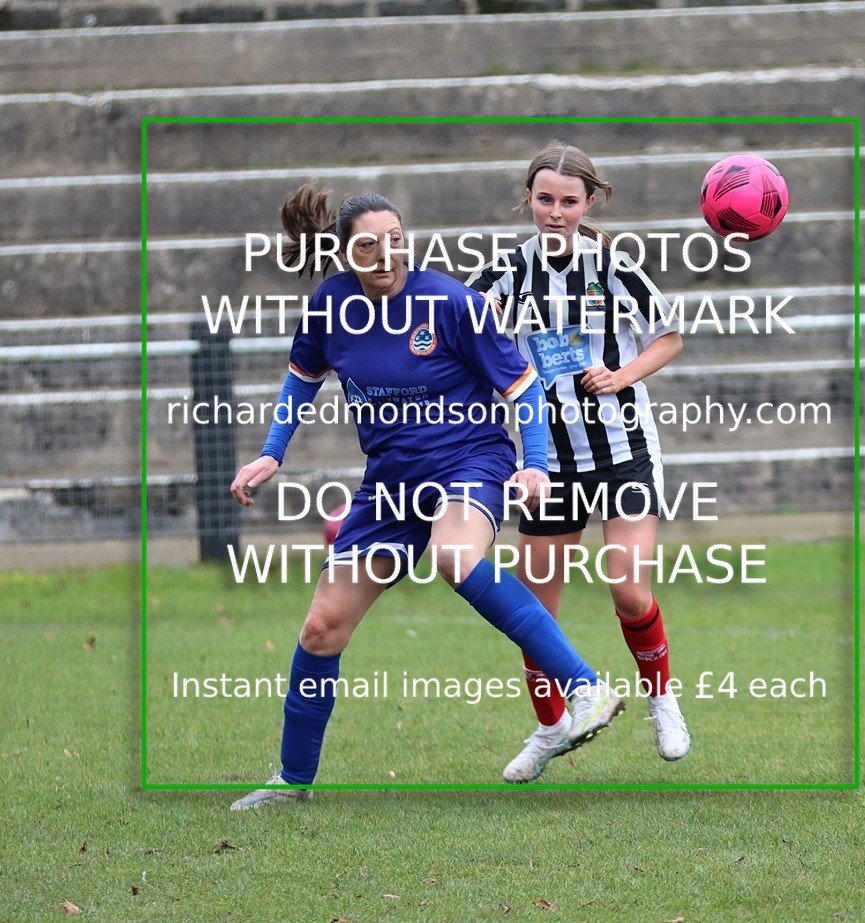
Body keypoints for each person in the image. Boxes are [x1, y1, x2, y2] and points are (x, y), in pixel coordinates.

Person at [228, 186, 624, 809]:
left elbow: (522, 387)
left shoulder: (451, 303)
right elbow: (300, 381)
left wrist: (537, 466)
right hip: (391, 482)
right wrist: (272, 452)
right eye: (368, 246)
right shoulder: (330, 307)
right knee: (321, 629)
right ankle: (291, 783)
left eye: (395, 241)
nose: (385, 255)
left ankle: (585, 688)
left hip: (470, 459)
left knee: (455, 555)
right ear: (345, 250)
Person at [467, 141, 691, 783]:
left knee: (628, 587)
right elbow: (458, 329)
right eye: (545, 200)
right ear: (528, 200)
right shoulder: (505, 275)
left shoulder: (615, 267)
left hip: (623, 452)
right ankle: (551, 727)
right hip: (548, 462)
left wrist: (620, 375)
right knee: (536, 613)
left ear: (588, 202)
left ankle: (662, 703)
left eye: (569, 201)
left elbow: (669, 336)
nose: (555, 212)